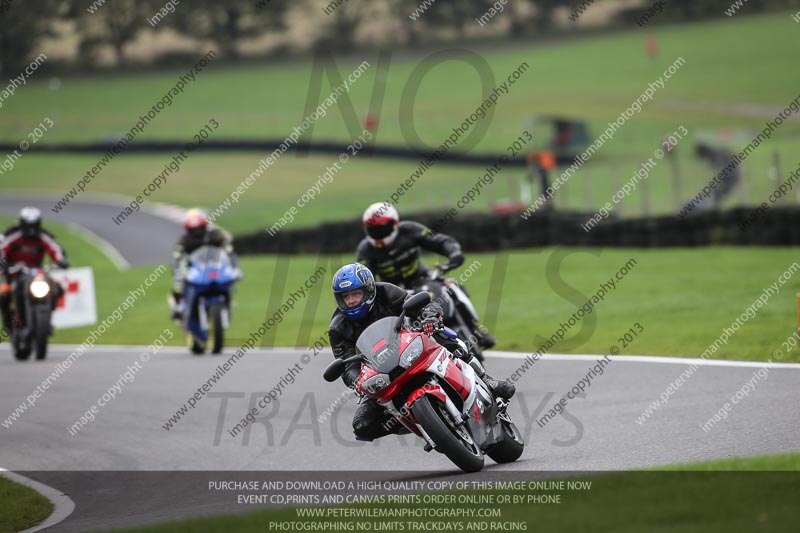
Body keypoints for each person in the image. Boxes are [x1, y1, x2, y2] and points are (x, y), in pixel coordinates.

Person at [328, 263, 514, 442]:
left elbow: (423, 305)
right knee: (362, 425)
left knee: (443, 336)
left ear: (369, 290)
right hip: (380, 372)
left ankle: (488, 381)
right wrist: (357, 382)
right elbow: (346, 365)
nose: (351, 300)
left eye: (356, 294)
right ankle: (416, 422)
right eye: (345, 296)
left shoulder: (386, 292)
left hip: (410, 344)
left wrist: (430, 318)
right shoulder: (337, 328)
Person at [356, 202, 496, 349]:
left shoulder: (410, 230)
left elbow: (439, 241)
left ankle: (475, 331)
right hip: (394, 290)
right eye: (373, 229)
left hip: (421, 278)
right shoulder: (365, 250)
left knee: (452, 287)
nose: (378, 233)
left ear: (394, 224)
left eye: (382, 228)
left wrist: (454, 252)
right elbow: (365, 279)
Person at [0, 207, 68, 338]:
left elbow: (55, 248)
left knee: (57, 288)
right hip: (13, 273)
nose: (31, 230)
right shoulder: (13, 235)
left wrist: (61, 261)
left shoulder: (43, 236)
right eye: (28, 225)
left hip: (35, 274)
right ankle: (8, 322)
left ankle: (46, 315)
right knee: (4, 294)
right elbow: (2, 249)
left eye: (34, 225)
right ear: (22, 224)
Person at [170, 208, 239, 320]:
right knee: (178, 284)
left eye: (199, 228)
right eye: (193, 230)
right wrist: (177, 266)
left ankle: (228, 303)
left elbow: (228, 247)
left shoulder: (213, 235)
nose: (197, 232)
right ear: (188, 229)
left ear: (204, 226)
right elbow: (177, 254)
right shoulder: (184, 239)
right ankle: (178, 308)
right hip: (193, 268)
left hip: (214, 265)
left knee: (228, 280)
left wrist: (232, 260)